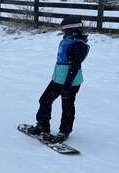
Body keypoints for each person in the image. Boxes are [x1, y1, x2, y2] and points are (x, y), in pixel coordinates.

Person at [26, 16, 90, 144]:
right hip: (58, 79)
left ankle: (64, 131)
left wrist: (67, 85)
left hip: (70, 82)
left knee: (67, 106)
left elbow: (75, 66)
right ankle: (42, 125)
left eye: (65, 30)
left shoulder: (78, 44)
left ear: (72, 30)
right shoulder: (69, 40)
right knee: (45, 100)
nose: (63, 33)